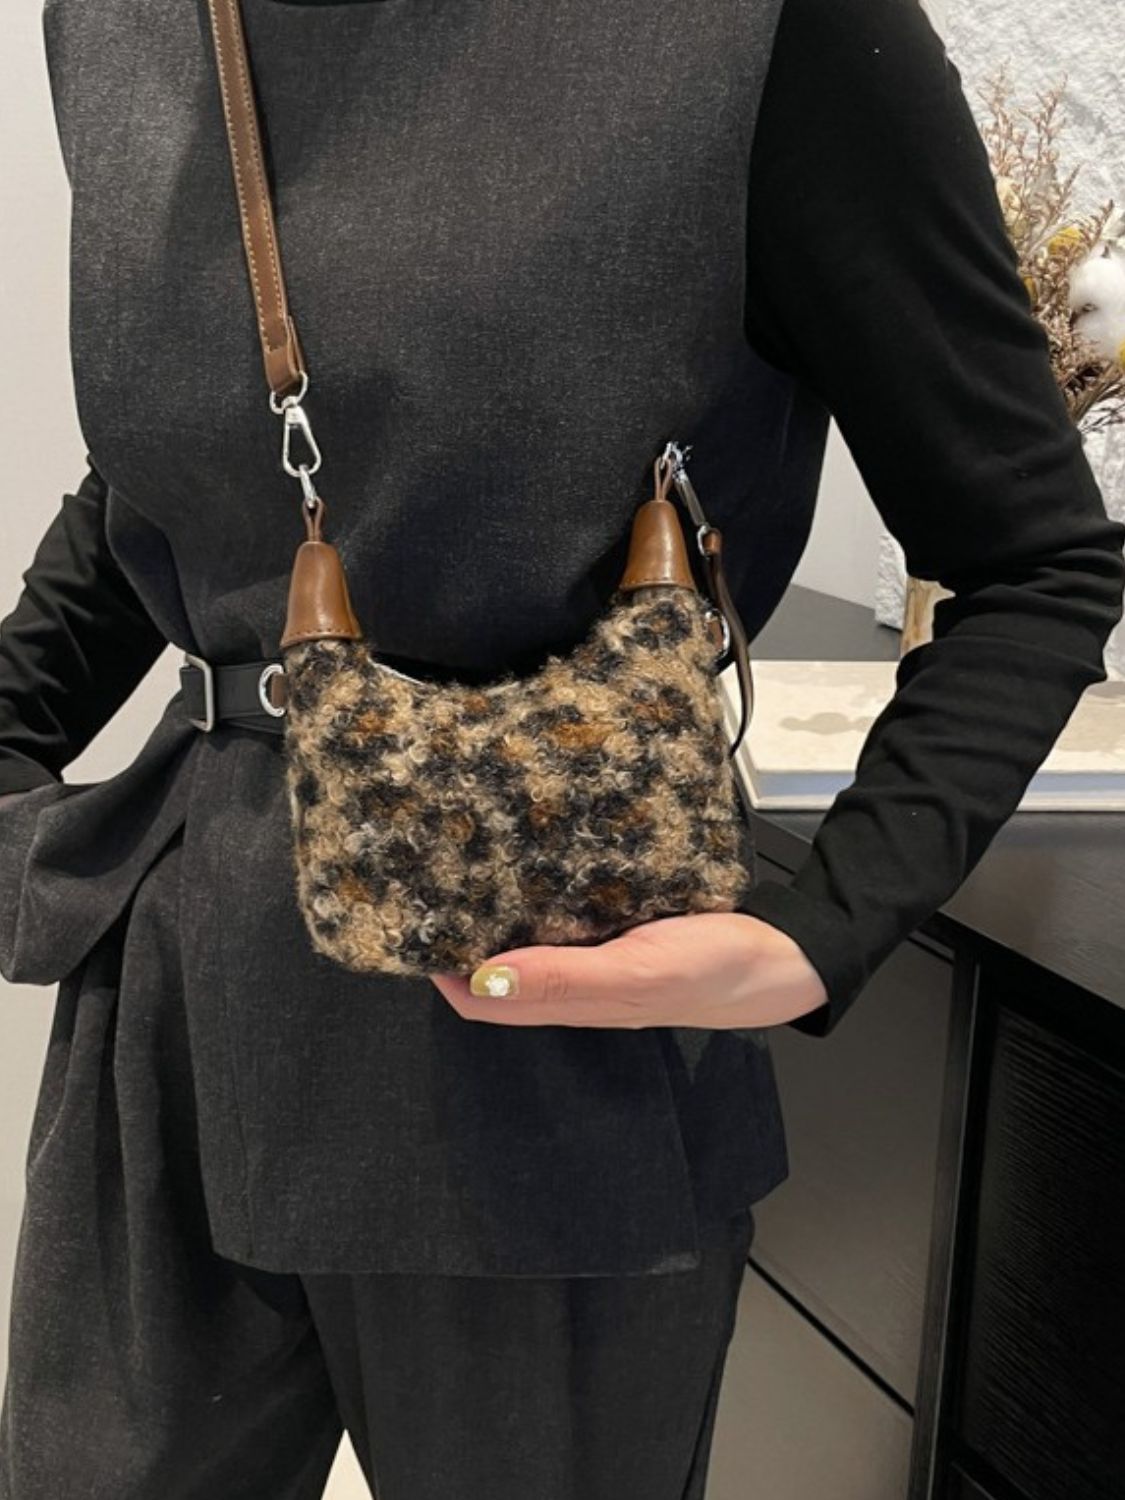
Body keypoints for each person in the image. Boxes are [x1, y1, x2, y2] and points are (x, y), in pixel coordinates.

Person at [1, 0, 1122, 1495]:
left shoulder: (758, 27)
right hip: (180, 1000)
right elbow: (175, 466)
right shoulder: (117, 22)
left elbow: (1033, 555)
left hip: (553, 1031)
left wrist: (824, 933)